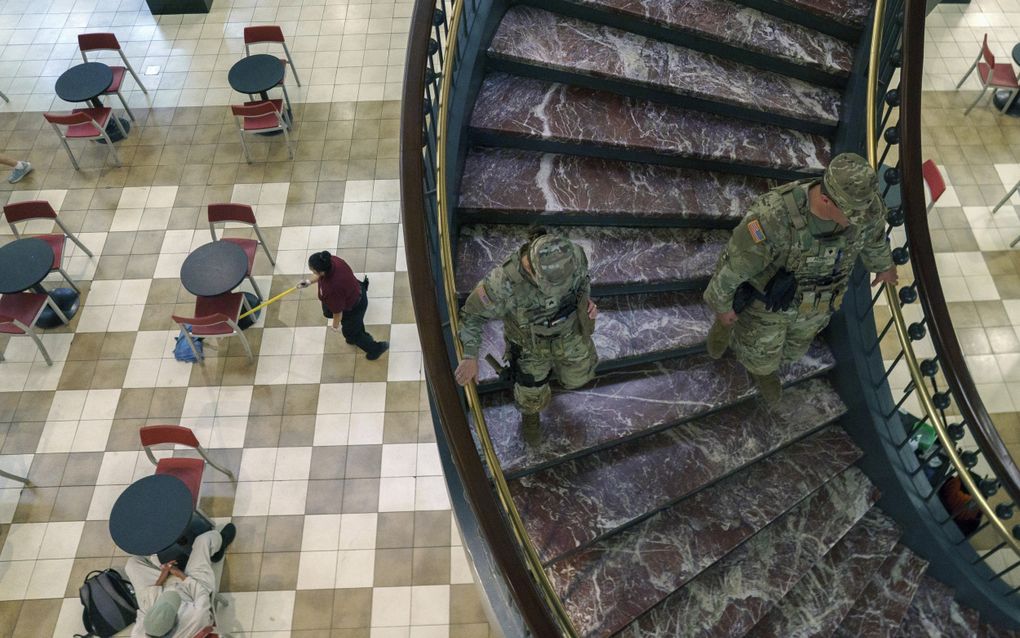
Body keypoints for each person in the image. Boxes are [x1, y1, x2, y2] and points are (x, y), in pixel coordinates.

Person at [703, 152, 898, 404]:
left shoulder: (862, 209)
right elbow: (736, 263)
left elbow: (873, 237)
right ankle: (752, 361)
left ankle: (770, 365)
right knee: (759, 353)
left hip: (817, 304)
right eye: (853, 217)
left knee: (795, 349)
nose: (858, 222)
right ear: (827, 200)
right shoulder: (773, 216)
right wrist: (722, 307)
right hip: (770, 305)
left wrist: (884, 265)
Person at [454, 228, 598, 436]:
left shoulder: (572, 255)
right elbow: (472, 314)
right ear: (532, 271)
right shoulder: (502, 284)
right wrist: (470, 355)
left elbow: (582, 283)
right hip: (530, 346)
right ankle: (531, 413)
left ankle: (560, 378)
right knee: (530, 392)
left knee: (579, 376)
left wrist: (587, 302)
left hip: (569, 333)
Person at [125, 523, 236, 638]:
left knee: (132, 564)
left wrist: (163, 576)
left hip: (157, 593)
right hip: (192, 588)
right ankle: (219, 544)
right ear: (173, 624)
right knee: (204, 540)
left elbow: (146, 604)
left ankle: (163, 565)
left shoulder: (139, 634)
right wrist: (180, 575)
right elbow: (200, 592)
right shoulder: (196, 618)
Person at [298, 250, 388, 360]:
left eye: (312, 270)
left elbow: (337, 312)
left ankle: (376, 348)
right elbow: (322, 275)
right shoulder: (333, 261)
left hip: (353, 307)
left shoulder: (332, 289)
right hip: (356, 293)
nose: (312, 272)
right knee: (354, 325)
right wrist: (309, 282)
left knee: (351, 333)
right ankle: (357, 334)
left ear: (320, 272)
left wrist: (335, 326)